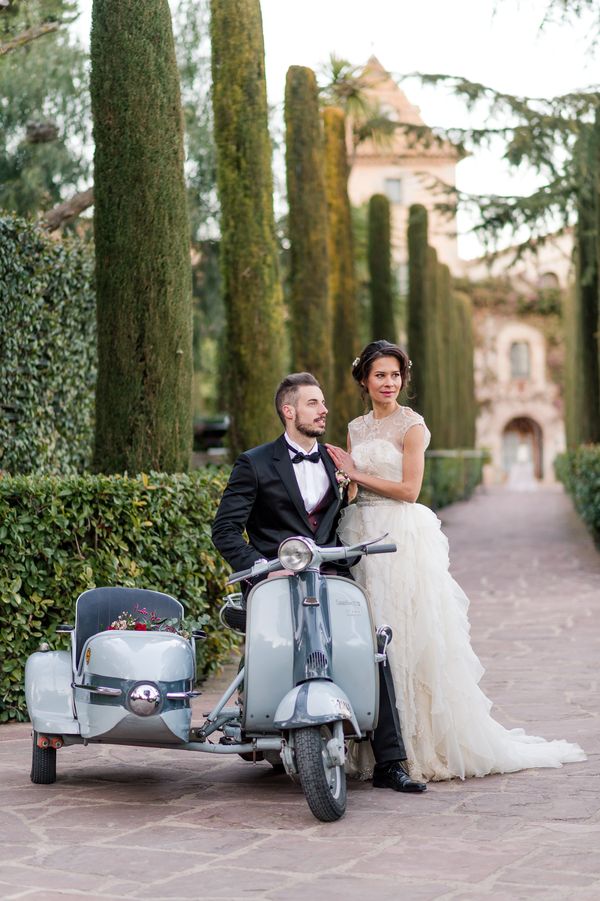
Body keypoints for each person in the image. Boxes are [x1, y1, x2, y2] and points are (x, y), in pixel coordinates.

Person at [326, 340, 586, 782]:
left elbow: (410, 490)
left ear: (403, 380)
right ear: (364, 381)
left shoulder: (413, 425)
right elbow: (355, 490)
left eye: (395, 375)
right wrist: (343, 481)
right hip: (359, 533)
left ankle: (417, 747)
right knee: (365, 634)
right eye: (380, 375)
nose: (389, 383)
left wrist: (358, 473)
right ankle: (373, 745)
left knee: (404, 634)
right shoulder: (355, 427)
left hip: (399, 534)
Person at [211, 372, 426, 792]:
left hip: (330, 572)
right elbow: (224, 530)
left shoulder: (334, 460)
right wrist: (262, 566)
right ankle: (264, 724)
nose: (324, 410)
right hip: (274, 576)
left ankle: (390, 763)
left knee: (369, 647)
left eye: (323, 403)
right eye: (313, 403)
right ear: (289, 411)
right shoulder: (254, 463)